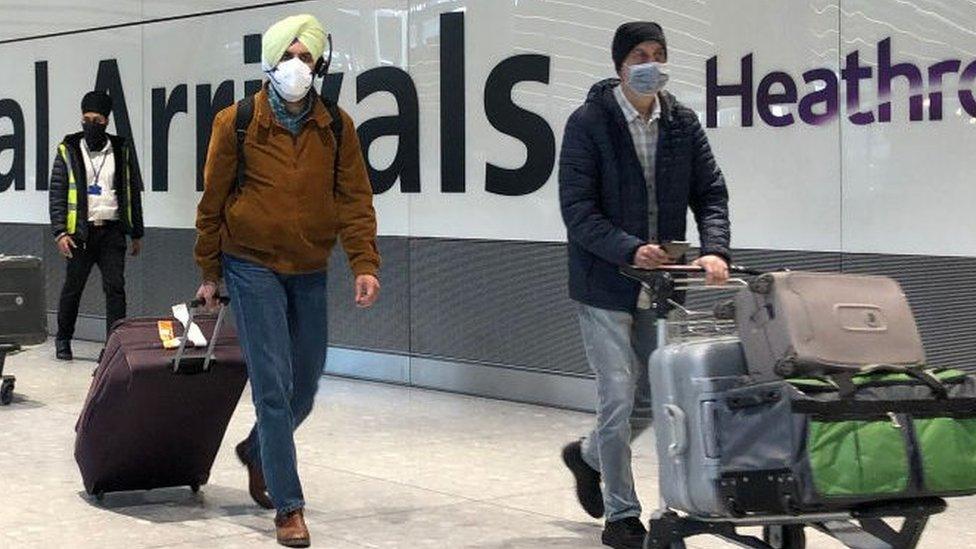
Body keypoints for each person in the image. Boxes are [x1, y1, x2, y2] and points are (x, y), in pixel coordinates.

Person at [194, 14, 381, 548]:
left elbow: (354, 199)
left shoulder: (336, 125)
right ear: (270, 61)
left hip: (310, 267)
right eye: (288, 56)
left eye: (306, 57)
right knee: (273, 388)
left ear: (319, 64)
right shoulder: (238, 121)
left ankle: (257, 451)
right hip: (250, 264)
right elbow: (212, 200)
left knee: (306, 385)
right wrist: (210, 268)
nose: (297, 66)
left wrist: (364, 262)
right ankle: (289, 507)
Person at [557, 22, 731, 549]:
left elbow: (712, 193)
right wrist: (628, 247)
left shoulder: (681, 122)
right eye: (639, 54)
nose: (650, 62)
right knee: (616, 394)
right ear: (619, 66)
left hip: (663, 284)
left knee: (653, 395)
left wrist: (715, 248)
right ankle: (621, 515)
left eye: (658, 53)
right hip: (604, 282)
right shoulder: (589, 123)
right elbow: (578, 211)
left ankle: (587, 458)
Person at [49, 90, 144, 361]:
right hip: (81, 232)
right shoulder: (68, 150)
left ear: (107, 121)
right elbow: (57, 193)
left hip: (112, 231)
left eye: (97, 119)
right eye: (86, 118)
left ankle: (114, 346)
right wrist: (59, 233)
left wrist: (136, 232)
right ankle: (63, 339)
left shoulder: (120, 149)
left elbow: (131, 192)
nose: (91, 124)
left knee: (116, 288)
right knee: (73, 288)